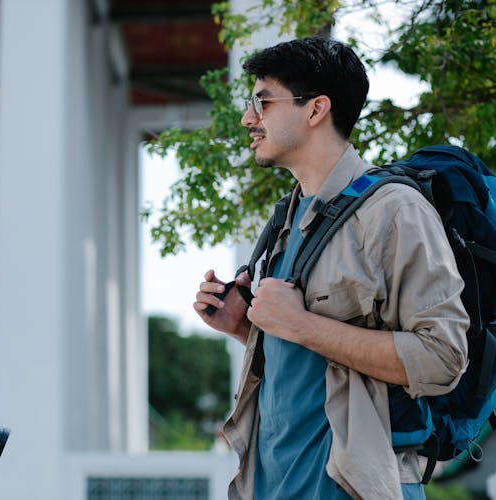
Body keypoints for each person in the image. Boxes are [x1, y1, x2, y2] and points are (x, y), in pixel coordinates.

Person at [194, 37, 469, 499]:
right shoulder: (286, 219)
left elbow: (443, 357)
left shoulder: (394, 211)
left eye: (262, 101)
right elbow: (307, 360)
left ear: (316, 109)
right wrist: (249, 329)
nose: (248, 118)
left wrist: (300, 325)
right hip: (273, 487)